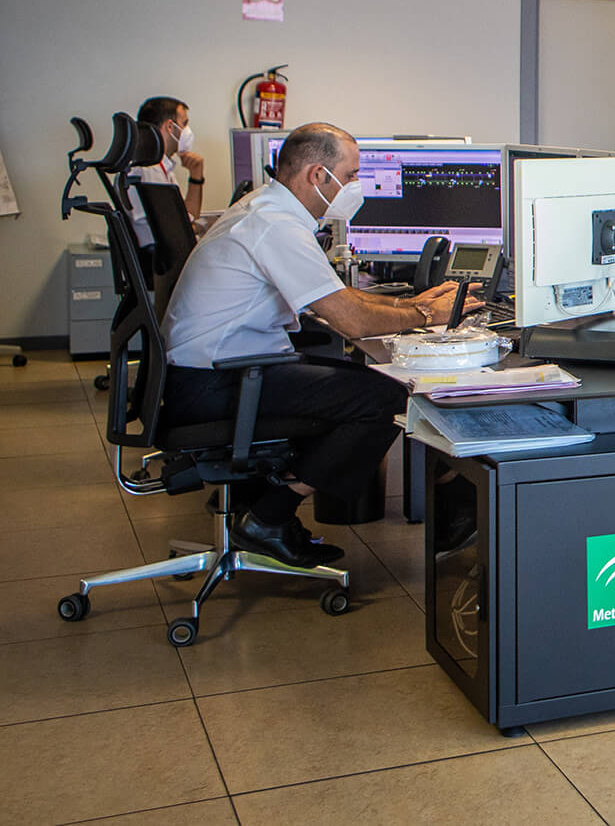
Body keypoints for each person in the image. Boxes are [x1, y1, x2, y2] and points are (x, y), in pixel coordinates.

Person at [162, 122, 469, 567]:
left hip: (215, 372)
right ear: (317, 176)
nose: (355, 187)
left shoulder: (266, 210)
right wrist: (426, 315)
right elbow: (351, 320)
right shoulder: (275, 226)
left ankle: (258, 501)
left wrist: (409, 302)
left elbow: (335, 297)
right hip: (215, 384)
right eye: (349, 176)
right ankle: (268, 515)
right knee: (386, 399)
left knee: (369, 380)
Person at [126, 96, 205, 266]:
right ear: (170, 126)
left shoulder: (161, 167)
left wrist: (196, 176)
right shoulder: (149, 170)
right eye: (184, 123)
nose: (187, 131)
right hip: (161, 263)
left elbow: (188, 217)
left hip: (163, 258)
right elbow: (176, 231)